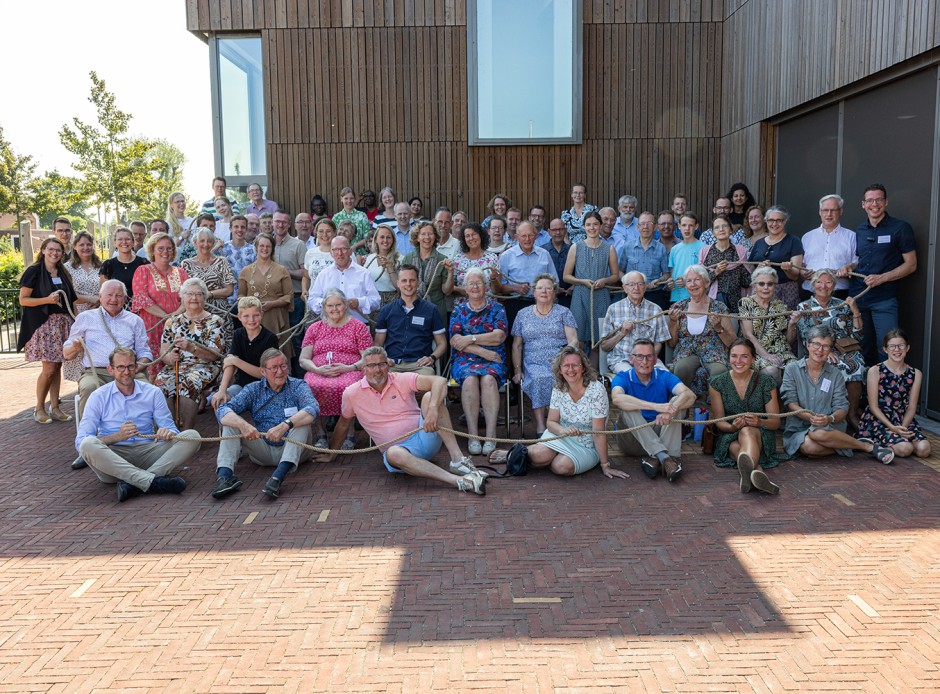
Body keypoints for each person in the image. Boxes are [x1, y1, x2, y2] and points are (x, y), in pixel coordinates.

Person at [316, 346, 485, 495]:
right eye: (371, 365)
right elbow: (343, 424)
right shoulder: (351, 393)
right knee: (393, 453)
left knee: (429, 397)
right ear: (363, 369)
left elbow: (440, 381)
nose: (377, 369)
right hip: (400, 452)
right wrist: (332, 454)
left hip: (425, 436)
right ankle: (457, 481)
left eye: (381, 364)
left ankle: (458, 460)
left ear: (388, 365)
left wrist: (433, 409)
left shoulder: (400, 378)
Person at [76, 347, 200, 503]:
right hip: (113, 459)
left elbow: (171, 428)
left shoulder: (153, 392)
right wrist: (116, 437)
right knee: (88, 444)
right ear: (110, 370)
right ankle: (153, 481)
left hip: (147, 453)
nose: (126, 372)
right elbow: (81, 442)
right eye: (120, 367)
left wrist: (166, 432)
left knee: (192, 436)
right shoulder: (97, 396)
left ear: (136, 367)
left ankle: (135, 484)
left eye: (130, 366)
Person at [214, 348, 318, 500]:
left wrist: (285, 425)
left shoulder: (298, 385)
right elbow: (223, 410)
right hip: (263, 451)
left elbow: (313, 408)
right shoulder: (253, 390)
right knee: (232, 423)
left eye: (283, 366)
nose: (280, 372)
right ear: (263, 371)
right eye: (274, 368)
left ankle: (277, 478)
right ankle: (225, 478)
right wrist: (244, 426)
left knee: (301, 422)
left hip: (295, 450)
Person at [781, 326, 895, 464]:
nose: (820, 350)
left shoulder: (835, 374)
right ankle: (860, 445)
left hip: (829, 427)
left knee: (817, 433)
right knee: (810, 448)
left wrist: (829, 419)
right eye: (816, 344)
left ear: (831, 350)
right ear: (807, 345)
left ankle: (859, 445)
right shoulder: (792, 369)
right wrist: (812, 418)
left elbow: (842, 407)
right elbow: (790, 403)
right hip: (799, 427)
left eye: (826, 346)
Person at [518, 346, 626, 478]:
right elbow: (551, 422)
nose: (570, 370)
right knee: (537, 455)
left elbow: (598, 433)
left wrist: (605, 465)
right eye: (566, 366)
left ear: (583, 367)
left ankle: (548, 457)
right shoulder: (559, 387)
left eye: (575, 365)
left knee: (561, 467)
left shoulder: (597, 390)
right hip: (561, 435)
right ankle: (510, 455)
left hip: (587, 444)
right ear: (560, 369)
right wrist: (563, 431)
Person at [846, 184, 917, 365]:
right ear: (863, 204)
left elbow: (911, 265)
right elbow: (861, 260)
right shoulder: (860, 230)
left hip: (884, 300)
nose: (874, 204)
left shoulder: (900, 228)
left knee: (888, 346)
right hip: (859, 298)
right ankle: (864, 392)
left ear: (886, 202)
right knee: (862, 347)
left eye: (878, 199)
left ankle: (886, 391)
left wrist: (882, 278)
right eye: (869, 200)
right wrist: (850, 266)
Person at [62, 279, 152, 421]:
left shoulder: (135, 320)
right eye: (109, 295)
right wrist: (75, 347)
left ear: (125, 298)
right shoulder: (85, 317)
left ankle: (146, 433)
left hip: (129, 372)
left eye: (118, 296)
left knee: (147, 389)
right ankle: (89, 436)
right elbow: (67, 354)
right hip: (96, 373)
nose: (113, 299)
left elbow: (144, 352)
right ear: (100, 296)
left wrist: (135, 369)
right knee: (89, 387)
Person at [611, 339, 696, 482]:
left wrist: (671, 410)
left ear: (656, 359)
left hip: (659, 432)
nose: (644, 361)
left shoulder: (664, 375)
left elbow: (690, 396)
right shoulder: (623, 377)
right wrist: (656, 407)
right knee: (628, 407)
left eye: (649, 356)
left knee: (678, 402)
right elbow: (617, 399)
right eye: (639, 356)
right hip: (633, 440)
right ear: (631, 359)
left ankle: (657, 458)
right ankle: (668, 458)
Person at [789, 269, 865, 427]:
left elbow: (857, 336)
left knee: (856, 364)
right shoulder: (804, 306)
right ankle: (829, 414)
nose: (823, 286)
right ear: (813, 285)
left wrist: (855, 310)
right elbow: (805, 336)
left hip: (843, 349)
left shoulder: (842, 305)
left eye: (828, 282)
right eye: (819, 282)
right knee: (833, 365)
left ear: (834, 285)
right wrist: (825, 350)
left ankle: (851, 414)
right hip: (819, 350)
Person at [300, 288, 373, 450]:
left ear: (346, 305)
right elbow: (303, 359)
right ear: (324, 307)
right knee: (310, 384)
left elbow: (367, 358)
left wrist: (348, 367)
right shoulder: (315, 328)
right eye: (330, 305)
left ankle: (350, 433)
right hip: (319, 371)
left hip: (351, 370)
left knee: (348, 386)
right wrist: (318, 370)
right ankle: (320, 432)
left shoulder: (358, 327)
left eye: (338, 305)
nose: (334, 309)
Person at [708, 339, 783, 495]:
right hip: (729, 435)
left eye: (744, 356)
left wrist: (759, 421)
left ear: (753, 358)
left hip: (759, 434)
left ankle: (750, 474)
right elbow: (720, 422)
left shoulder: (766, 382)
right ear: (728, 358)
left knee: (747, 431)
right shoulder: (717, 383)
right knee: (737, 447)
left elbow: (775, 422)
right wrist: (732, 427)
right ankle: (757, 473)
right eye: (734, 356)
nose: (738, 361)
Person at [18, 236, 78, 424]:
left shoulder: (63, 271)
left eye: (58, 250)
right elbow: (23, 300)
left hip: (63, 323)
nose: (54, 253)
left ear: (62, 253)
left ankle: (56, 407)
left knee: (58, 365)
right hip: (44, 325)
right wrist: (47, 300)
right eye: (50, 249)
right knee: (49, 367)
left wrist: (77, 323)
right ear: (43, 250)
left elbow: (72, 300)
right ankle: (39, 408)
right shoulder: (34, 271)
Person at [449, 268, 508, 456]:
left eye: (479, 283)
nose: (475, 287)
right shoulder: (459, 310)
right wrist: (481, 349)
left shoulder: (497, 308)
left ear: (486, 286)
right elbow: (455, 340)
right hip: (466, 358)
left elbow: (499, 336)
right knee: (470, 380)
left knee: (489, 380)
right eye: (471, 284)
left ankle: (491, 436)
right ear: (465, 289)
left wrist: (470, 339)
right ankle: (473, 436)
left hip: (494, 358)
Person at [510, 274, 578, 434]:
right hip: (532, 363)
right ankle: (542, 426)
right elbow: (516, 346)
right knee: (540, 378)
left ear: (554, 293)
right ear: (534, 292)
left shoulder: (564, 312)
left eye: (549, 288)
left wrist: (563, 357)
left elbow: (573, 340)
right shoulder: (523, 314)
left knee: (561, 377)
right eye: (540, 288)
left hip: (560, 361)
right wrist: (517, 370)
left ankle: (561, 422)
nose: (544, 291)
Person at [153, 278, 225, 429]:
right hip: (178, 366)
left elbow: (214, 355)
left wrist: (191, 348)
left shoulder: (215, 321)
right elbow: (163, 350)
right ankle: (169, 430)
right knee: (161, 381)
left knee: (189, 382)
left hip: (205, 366)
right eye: (189, 294)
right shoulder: (172, 322)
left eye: (199, 294)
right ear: (182, 297)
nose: (194, 298)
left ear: (204, 297)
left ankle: (187, 433)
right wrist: (169, 358)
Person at [856, 329, 931, 459]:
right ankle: (874, 443)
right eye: (892, 346)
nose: (897, 349)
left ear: (907, 348)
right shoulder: (875, 370)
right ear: (885, 349)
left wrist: (902, 428)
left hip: (903, 419)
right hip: (879, 420)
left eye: (901, 345)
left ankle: (896, 440)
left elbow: (912, 407)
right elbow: (873, 406)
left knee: (924, 450)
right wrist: (892, 427)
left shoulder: (915, 373)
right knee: (905, 449)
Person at [667, 265, 735, 396]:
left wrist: (718, 328)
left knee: (719, 371)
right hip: (686, 352)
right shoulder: (678, 307)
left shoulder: (719, 307)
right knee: (682, 368)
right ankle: (682, 406)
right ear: (686, 285)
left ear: (706, 282)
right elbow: (671, 343)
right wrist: (673, 322)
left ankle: (716, 410)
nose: (693, 284)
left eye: (697, 280)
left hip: (714, 352)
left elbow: (732, 341)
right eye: (689, 281)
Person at [564, 210, 619, 368]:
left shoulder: (609, 249)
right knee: (579, 340)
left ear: (601, 225)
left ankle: (593, 375)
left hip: (601, 296)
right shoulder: (576, 247)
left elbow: (615, 275)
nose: (592, 227)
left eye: (595, 224)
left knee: (598, 340)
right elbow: (566, 276)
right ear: (583, 227)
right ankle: (580, 372)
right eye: (588, 224)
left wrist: (604, 280)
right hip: (580, 296)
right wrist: (581, 281)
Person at [131, 233, 190, 375]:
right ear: (152, 250)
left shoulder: (181, 272)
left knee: (178, 367)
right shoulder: (143, 270)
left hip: (178, 325)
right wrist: (166, 316)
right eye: (161, 248)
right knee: (153, 370)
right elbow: (141, 298)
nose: (165, 252)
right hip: (152, 326)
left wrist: (174, 315)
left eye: (169, 248)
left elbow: (188, 296)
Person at [375, 264, 447, 375]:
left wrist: (432, 358)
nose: (408, 284)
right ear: (398, 283)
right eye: (404, 281)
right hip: (392, 365)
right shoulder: (386, 311)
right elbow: (378, 343)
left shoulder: (431, 310)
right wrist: (384, 359)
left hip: (420, 366)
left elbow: (442, 343)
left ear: (418, 282)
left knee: (429, 383)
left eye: (412, 280)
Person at [210, 296, 279, 411]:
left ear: (261, 315)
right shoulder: (238, 334)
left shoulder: (270, 338)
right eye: (246, 316)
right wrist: (222, 390)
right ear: (239, 317)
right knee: (221, 401)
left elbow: (265, 374)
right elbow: (230, 364)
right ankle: (228, 429)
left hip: (264, 386)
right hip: (241, 385)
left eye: (256, 315)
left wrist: (236, 361)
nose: (251, 320)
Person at [600, 271, 671, 375]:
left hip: (649, 360)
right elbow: (604, 346)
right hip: (622, 360)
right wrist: (622, 333)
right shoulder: (613, 309)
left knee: (665, 377)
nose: (636, 288)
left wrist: (649, 359)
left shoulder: (656, 310)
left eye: (640, 284)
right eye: (632, 284)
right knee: (633, 376)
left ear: (645, 287)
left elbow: (659, 342)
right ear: (625, 288)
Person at [238, 233, 294, 357]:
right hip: (253, 317)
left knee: (278, 352)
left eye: (268, 246)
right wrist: (251, 303)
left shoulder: (281, 270)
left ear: (272, 249)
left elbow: (289, 296)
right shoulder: (245, 271)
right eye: (261, 246)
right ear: (256, 247)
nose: (264, 249)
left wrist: (272, 304)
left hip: (276, 315)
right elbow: (240, 295)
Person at [738, 266, 796, 383]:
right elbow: (748, 335)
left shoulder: (780, 305)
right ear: (754, 286)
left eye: (770, 284)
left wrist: (792, 324)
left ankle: (790, 401)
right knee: (772, 370)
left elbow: (788, 341)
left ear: (775, 286)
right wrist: (767, 355)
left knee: (797, 369)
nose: (766, 288)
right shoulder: (745, 303)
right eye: (761, 284)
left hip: (781, 352)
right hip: (756, 352)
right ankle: (774, 401)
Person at [180, 228, 236, 349]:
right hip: (194, 315)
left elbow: (229, 290)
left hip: (220, 314)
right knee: (195, 350)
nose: (206, 244)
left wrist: (208, 294)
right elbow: (183, 293)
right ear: (195, 242)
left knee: (221, 351)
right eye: (202, 241)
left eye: (209, 241)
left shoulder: (222, 261)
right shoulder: (186, 264)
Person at [499, 221, 559, 329]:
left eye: (530, 235)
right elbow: (499, 287)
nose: (527, 239)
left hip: (542, 304)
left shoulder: (544, 254)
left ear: (536, 236)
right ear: (517, 237)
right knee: (515, 341)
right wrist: (516, 288)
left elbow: (555, 283)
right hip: (515, 304)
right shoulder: (506, 256)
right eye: (523, 236)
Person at [309, 236, 380, 324]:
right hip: (330, 326)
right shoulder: (323, 274)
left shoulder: (364, 273)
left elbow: (376, 301)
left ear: (350, 251)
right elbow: (312, 300)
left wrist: (359, 302)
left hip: (358, 326)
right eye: (335, 250)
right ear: (331, 253)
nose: (340, 253)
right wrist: (327, 303)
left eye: (343, 249)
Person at [800, 194, 857, 299]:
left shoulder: (851, 237)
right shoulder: (807, 237)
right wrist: (802, 271)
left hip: (840, 294)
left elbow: (857, 262)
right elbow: (801, 264)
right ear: (820, 212)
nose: (829, 214)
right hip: (810, 293)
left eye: (833, 210)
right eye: (825, 210)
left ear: (841, 211)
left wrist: (849, 267)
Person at [748, 205, 804, 310]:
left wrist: (787, 270)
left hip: (785, 291)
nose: (774, 224)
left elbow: (795, 275)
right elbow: (750, 269)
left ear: (785, 221)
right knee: (758, 322)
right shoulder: (759, 243)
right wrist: (759, 268)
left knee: (783, 323)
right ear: (766, 221)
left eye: (779, 220)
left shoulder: (793, 241)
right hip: (760, 291)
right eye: (771, 220)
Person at [271, 210, 308, 359]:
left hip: (295, 299)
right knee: (275, 338)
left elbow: (305, 273)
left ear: (289, 225)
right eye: (277, 221)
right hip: (272, 300)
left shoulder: (298, 245)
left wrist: (284, 271)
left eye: (284, 222)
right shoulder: (266, 244)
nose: (280, 225)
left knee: (296, 339)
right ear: (273, 223)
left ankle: (300, 377)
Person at [402, 221, 454, 323]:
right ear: (417, 237)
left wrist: (451, 273)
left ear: (435, 237)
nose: (427, 237)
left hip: (436, 310)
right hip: (413, 309)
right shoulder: (408, 259)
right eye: (423, 234)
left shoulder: (442, 260)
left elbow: (447, 291)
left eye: (430, 234)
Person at [617, 211, 670, 310]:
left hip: (654, 295)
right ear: (638, 227)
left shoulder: (661, 248)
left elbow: (666, 274)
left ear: (655, 227)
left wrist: (658, 280)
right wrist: (628, 284)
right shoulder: (627, 247)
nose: (646, 227)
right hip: (632, 295)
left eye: (649, 223)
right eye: (642, 224)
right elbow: (620, 270)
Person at [699, 214, 750, 313]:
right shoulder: (705, 252)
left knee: (736, 327)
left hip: (737, 300)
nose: (721, 229)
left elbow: (746, 282)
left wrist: (759, 270)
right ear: (713, 232)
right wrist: (716, 272)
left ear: (731, 230)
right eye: (717, 227)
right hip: (714, 301)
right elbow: (701, 282)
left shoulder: (740, 250)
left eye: (724, 226)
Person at [452, 222, 503, 301]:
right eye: (467, 236)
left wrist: (494, 280)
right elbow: (451, 288)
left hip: (488, 306)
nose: (471, 238)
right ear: (464, 240)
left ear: (480, 235)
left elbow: (497, 291)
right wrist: (462, 290)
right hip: (464, 308)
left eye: (474, 234)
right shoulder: (457, 259)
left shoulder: (492, 258)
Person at [100, 227, 149, 304]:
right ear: (115, 243)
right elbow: (105, 293)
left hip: (140, 308)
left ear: (133, 242)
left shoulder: (143, 263)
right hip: (115, 308)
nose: (124, 242)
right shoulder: (108, 265)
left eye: (127, 239)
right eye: (120, 239)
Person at [219, 215, 256, 306]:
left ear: (246, 229)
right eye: (236, 226)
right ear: (230, 228)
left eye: (243, 227)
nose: (239, 230)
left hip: (246, 300)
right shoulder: (222, 249)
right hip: (226, 301)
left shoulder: (253, 250)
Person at [668, 212, 705, 303]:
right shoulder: (674, 249)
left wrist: (687, 281)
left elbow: (706, 275)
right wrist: (670, 282)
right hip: (676, 296)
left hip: (696, 296)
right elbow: (672, 273)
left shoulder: (703, 247)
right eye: (684, 225)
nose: (687, 228)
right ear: (679, 226)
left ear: (696, 226)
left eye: (690, 225)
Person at [64, 231, 103, 314]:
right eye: (81, 245)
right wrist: (89, 298)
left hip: (101, 312)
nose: (86, 248)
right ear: (74, 246)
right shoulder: (67, 268)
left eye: (89, 244)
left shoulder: (103, 265)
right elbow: (67, 294)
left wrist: (100, 300)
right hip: (77, 313)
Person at [364, 224, 401, 310]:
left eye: (388, 237)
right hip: (373, 304)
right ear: (376, 239)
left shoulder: (400, 259)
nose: (385, 240)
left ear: (393, 240)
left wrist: (390, 268)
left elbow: (401, 288)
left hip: (393, 304)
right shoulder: (369, 258)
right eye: (382, 237)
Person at [539, 218, 572, 307]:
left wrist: (575, 287)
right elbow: (538, 275)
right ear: (549, 232)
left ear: (565, 231)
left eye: (560, 229)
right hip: (547, 297)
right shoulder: (541, 251)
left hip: (570, 297)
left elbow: (580, 272)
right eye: (554, 230)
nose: (558, 233)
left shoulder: (573, 249)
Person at [332, 187, 372, 256]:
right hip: (340, 254)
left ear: (355, 199)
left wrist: (355, 246)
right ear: (341, 199)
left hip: (359, 254)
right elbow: (333, 237)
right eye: (346, 198)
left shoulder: (362, 216)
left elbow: (367, 237)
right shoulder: (336, 217)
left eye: (351, 198)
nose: (349, 201)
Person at [302, 218, 337, 293]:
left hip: (336, 300)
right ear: (316, 233)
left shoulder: (342, 252)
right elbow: (306, 277)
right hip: (314, 300)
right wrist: (304, 290)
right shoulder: (310, 253)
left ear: (334, 233)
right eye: (321, 231)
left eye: (328, 231)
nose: (324, 234)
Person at [166, 192, 195, 262]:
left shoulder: (192, 221)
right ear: (171, 205)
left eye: (182, 201)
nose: (181, 203)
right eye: (177, 202)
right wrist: (182, 237)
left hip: (192, 258)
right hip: (177, 259)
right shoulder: (168, 224)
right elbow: (168, 247)